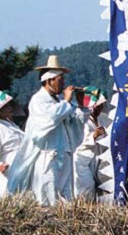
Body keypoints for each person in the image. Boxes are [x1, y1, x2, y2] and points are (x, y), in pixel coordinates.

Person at [7, 55, 85, 206]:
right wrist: (67, 102)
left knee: (66, 194)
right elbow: (50, 118)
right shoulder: (38, 100)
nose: (62, 85)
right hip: (48, 155)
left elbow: (74, 123)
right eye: (59, 80)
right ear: (49, 80)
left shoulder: (59, 102)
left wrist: (80, 106)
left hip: (65, 153)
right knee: (47, 192)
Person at [73, 87, 108, 201]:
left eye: (101, 105)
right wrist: (93, 136)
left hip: (94, 161)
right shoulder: (82, 119)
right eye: (98, 105)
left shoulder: (99, 120)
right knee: (85, 189)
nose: (100, 108)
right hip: (81, 161)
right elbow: (77, 140)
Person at [0, 91, 24, 197]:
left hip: (21, 166)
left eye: (10, 105)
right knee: (7, 194)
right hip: (8, 167)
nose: (10, 109)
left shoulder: (12, 125)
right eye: (6, 106)